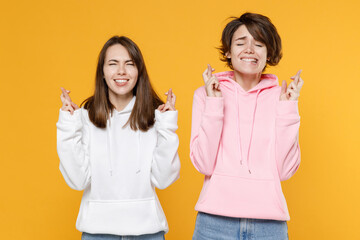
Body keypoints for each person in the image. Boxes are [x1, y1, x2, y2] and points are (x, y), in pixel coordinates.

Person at [190, 13, 304, 239]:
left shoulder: (281, 97)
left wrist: (288, 108)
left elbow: (285, 170)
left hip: (268, 225)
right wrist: (214, 103)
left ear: (268, 53)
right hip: (214, 223)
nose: (250, 49)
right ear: (228, 52)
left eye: (259, 44)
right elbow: (203, 163)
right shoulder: (206, 94)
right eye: (241, 43)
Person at [56, 36, 180, 240]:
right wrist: (69, 126)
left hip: (148, 233)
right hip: (98, 234)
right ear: (102, 73)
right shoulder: (85, 118)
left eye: (129, 64)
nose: (121, 71)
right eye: (113, 64)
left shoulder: (154, 117)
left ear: (139, 71)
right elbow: (78, 181)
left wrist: (167, 125)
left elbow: (164, 179)